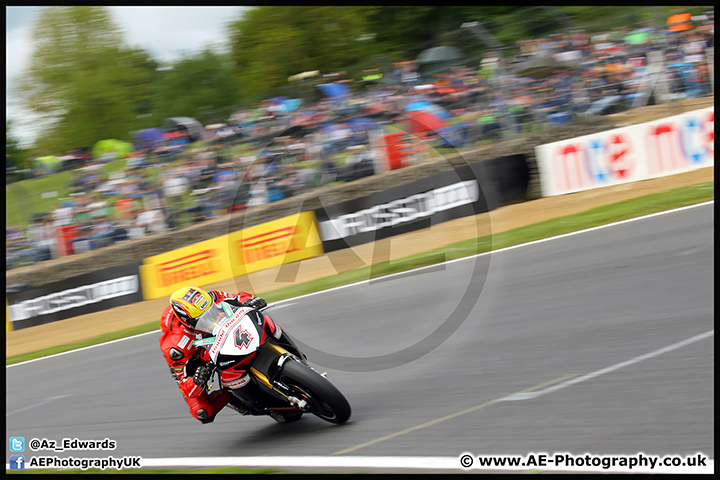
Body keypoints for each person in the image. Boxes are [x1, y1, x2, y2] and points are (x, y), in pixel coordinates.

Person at [159, 286, 280, 424]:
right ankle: (237, 400)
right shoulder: (176, 346)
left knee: (261, 316)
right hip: (197, 356)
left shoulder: (210, 297)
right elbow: (185, 385)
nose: (208, 317)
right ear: (186, 321)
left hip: (223, 329)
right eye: (200, 318)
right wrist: (197, 380)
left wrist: (251, 300)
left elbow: (237, 297)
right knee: (203, 412)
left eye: (210, 311)